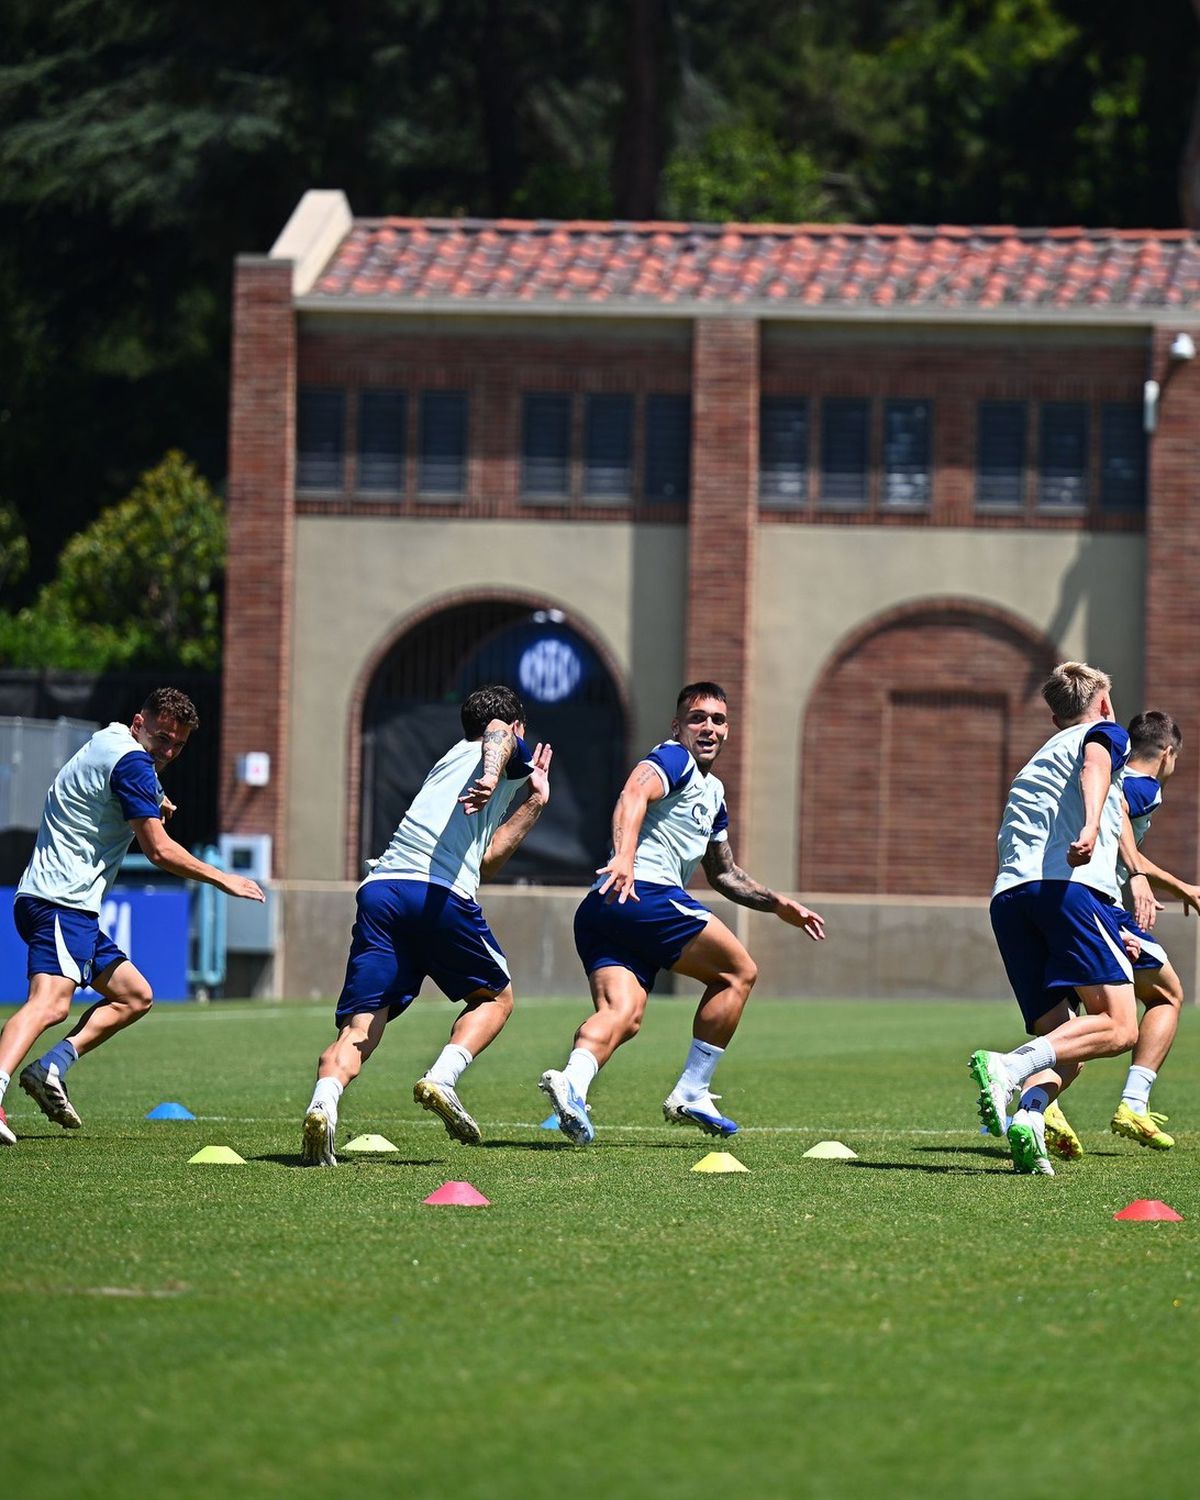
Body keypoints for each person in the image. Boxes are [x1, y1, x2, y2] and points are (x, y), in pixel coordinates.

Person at [538, 680, 825, 1146]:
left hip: (604, 907)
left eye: (717, 720)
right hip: (643, 893)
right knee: (737, 973)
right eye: (697, 718)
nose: (708, 727)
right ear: (678, 727)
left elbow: (723, 873)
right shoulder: (674, 759)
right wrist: (625, 856)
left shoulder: (714, 793)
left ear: (728, 730)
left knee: (624, 1013)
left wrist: (777, 904)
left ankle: (572, 1081)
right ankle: (692, 1090)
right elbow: (633, 793)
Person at [0, 687, 265, 1146]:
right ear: (139, 723)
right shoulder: (133, 763)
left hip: (62, 902)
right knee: (51, 1003)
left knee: (134, 996)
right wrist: (223, 878)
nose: (168, 751)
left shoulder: (110, 740)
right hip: (60, 900)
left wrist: (154, 796)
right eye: (162, 738)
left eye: (178, 745)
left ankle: (50, 1067)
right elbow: (158, 850)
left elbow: (116, 782)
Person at [300, 684, 551, 1166]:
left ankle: (323, 1103)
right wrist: (495, 771)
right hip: (434, 893)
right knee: (496, 999)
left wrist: (534, 803)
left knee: (361, 1025)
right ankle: (442, 1078)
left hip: (382, 891)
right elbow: (497, 732)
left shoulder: (449, 761)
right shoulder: (501, 746)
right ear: (519, 727)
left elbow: (484, 863)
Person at [972, 661, 1153, 1176]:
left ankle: (1030, 1119)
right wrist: (1092, 826)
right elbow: (1095, 766)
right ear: (1104, 704)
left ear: (1055, 719)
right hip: (1066, 890)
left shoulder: (1038, 758)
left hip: (1010, 899)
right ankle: (1007, 1067)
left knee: (1064, 1044)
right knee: (1120, 1027)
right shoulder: (1106, 733)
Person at [1044, 710, 1198, 1159]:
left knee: (1075, 1025)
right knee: (1167, 995)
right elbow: (1121, 814)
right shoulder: (1142, 785)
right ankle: (1133, 1102)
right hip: (1100, 906)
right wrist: (1145, 877)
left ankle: (1042, 1105)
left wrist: (1172, 885)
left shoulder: (1101, 775)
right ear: (1167, 753)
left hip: (1057, 900)